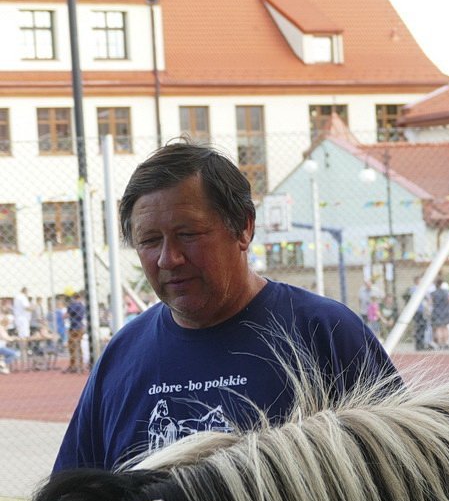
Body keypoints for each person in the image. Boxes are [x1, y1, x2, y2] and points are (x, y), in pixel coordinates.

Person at [54, 143, 397, 472]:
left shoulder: (326, 333)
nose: (168, 258)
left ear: (244, 227)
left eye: (188, 234)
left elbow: (407, 477)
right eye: (150, 241)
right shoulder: (122, 356)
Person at [64, 289, 87, 374]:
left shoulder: (74, 305)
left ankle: (73, 365)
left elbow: (68, 314)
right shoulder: (82, 305)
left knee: (72, 347)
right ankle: (80, 365)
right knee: (79, 347)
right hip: (80, 326)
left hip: (74, 327)